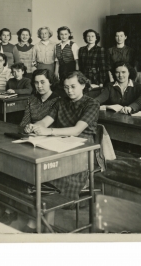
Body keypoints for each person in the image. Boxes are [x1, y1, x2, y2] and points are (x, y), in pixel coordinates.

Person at [0, 69, 59, 228]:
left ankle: (16, 211)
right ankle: (5, 206)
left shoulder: (57, 100)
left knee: (21, 169)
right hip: (31, 140)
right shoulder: (32, 99)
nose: (39, 86)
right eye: (36, 83)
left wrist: (34, 128)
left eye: (43, 82)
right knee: (7, 163)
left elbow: (51, 124)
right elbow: (23, 123)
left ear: (50, 82)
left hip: (50, 143)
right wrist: (27, 128)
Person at [26, 70, 99, 232]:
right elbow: (46, 121)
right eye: (66, 87)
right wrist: (36, 126)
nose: (69, 91)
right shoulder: (60, 102)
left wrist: (49, 132)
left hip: (81, 154)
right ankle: (43, 225)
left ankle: (41, 225)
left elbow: (77, 130)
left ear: (83, 85)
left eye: (73, 86)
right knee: (40, 173)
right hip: (59, 147)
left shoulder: (92, 104)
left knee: (48, 178)